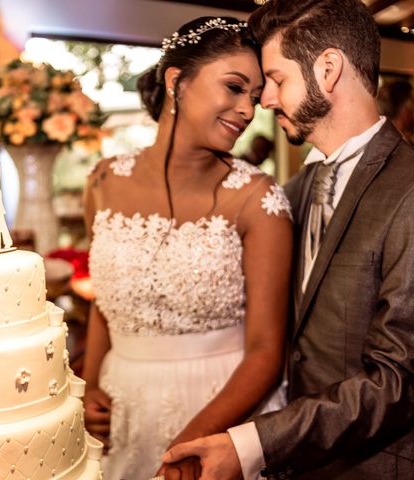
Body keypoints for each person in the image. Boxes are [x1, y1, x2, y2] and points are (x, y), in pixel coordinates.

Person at [163, 1, 414, 479]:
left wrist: (253, 443)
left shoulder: (409, 189)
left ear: (327, 69)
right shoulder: (293, 191)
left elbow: (397, 381)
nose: (265, 100)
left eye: (276, 79)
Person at [82, 16, 293, 480]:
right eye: (235, 87)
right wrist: (90, 384)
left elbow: (266, 351)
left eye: (255, 97)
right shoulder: (102, 182)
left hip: (221, 408)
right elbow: (105, 301)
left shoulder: (258, 199)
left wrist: (193, 440)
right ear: (177, 81)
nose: (248, 109)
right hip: (124, 408)